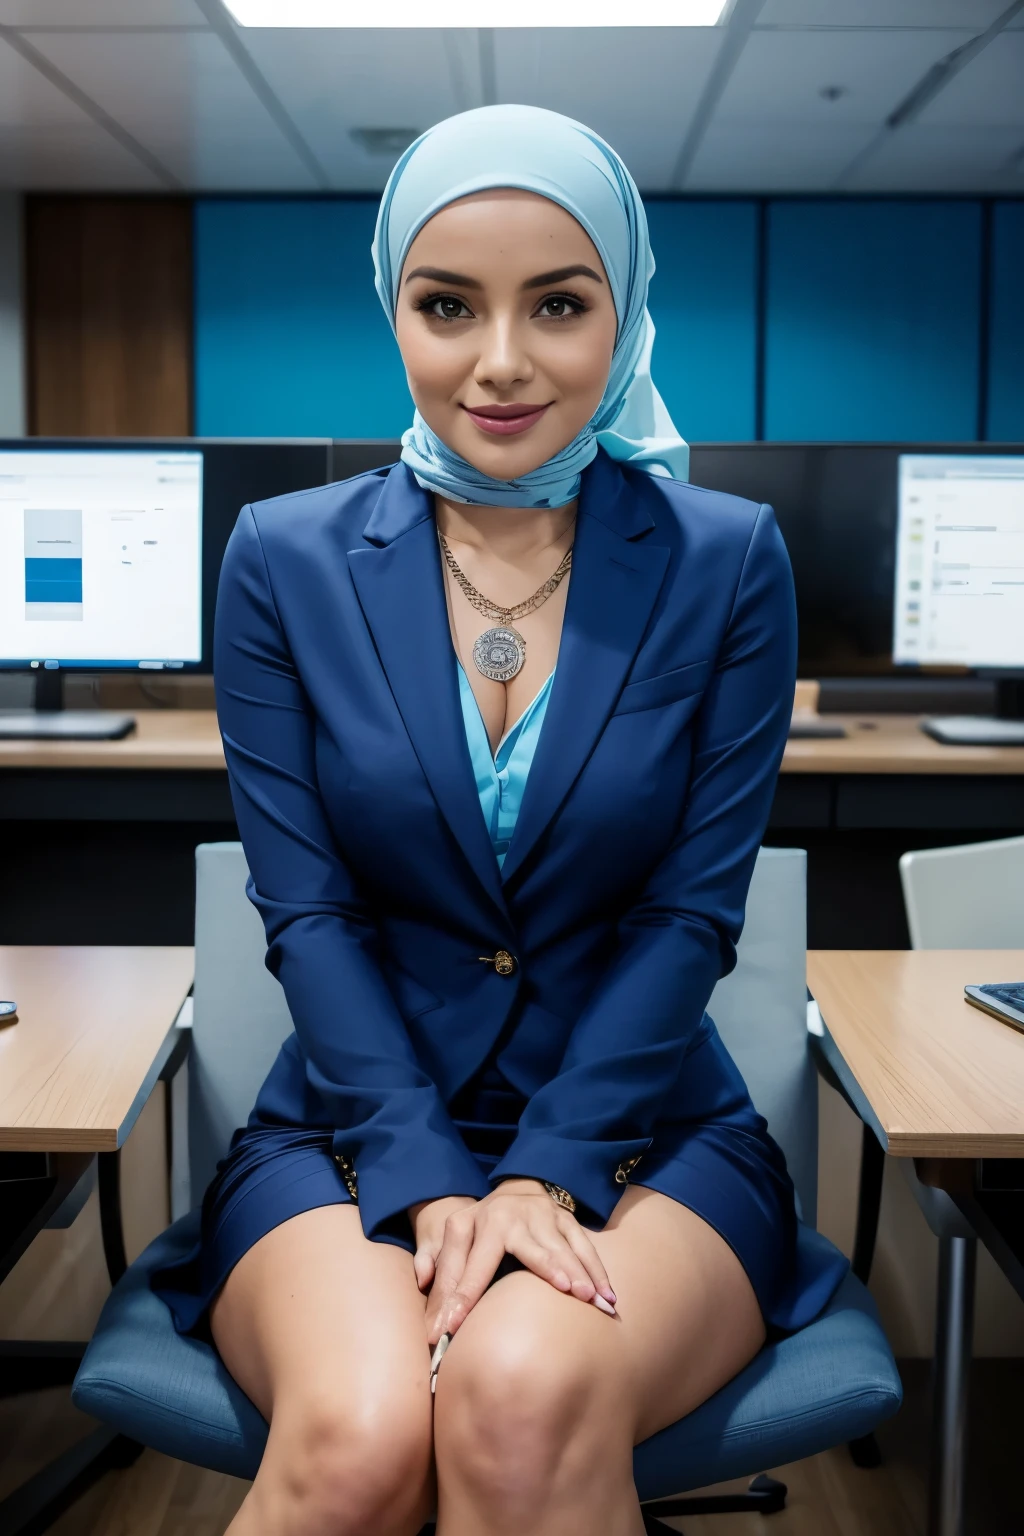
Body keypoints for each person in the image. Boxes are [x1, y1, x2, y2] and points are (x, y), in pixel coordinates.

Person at [155, 104, 847, 1536]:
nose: (503, 361)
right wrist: (422, 1169)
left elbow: (688, 916)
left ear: (627, 313)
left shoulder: (727, 564)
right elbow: (311, 914)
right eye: (448, 304)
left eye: (561, 304)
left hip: (642, 1130)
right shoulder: (283, 559)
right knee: (355, 1436)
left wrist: (548, 1166)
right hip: (355, 1123)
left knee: (517, 1403)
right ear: (394, 308)